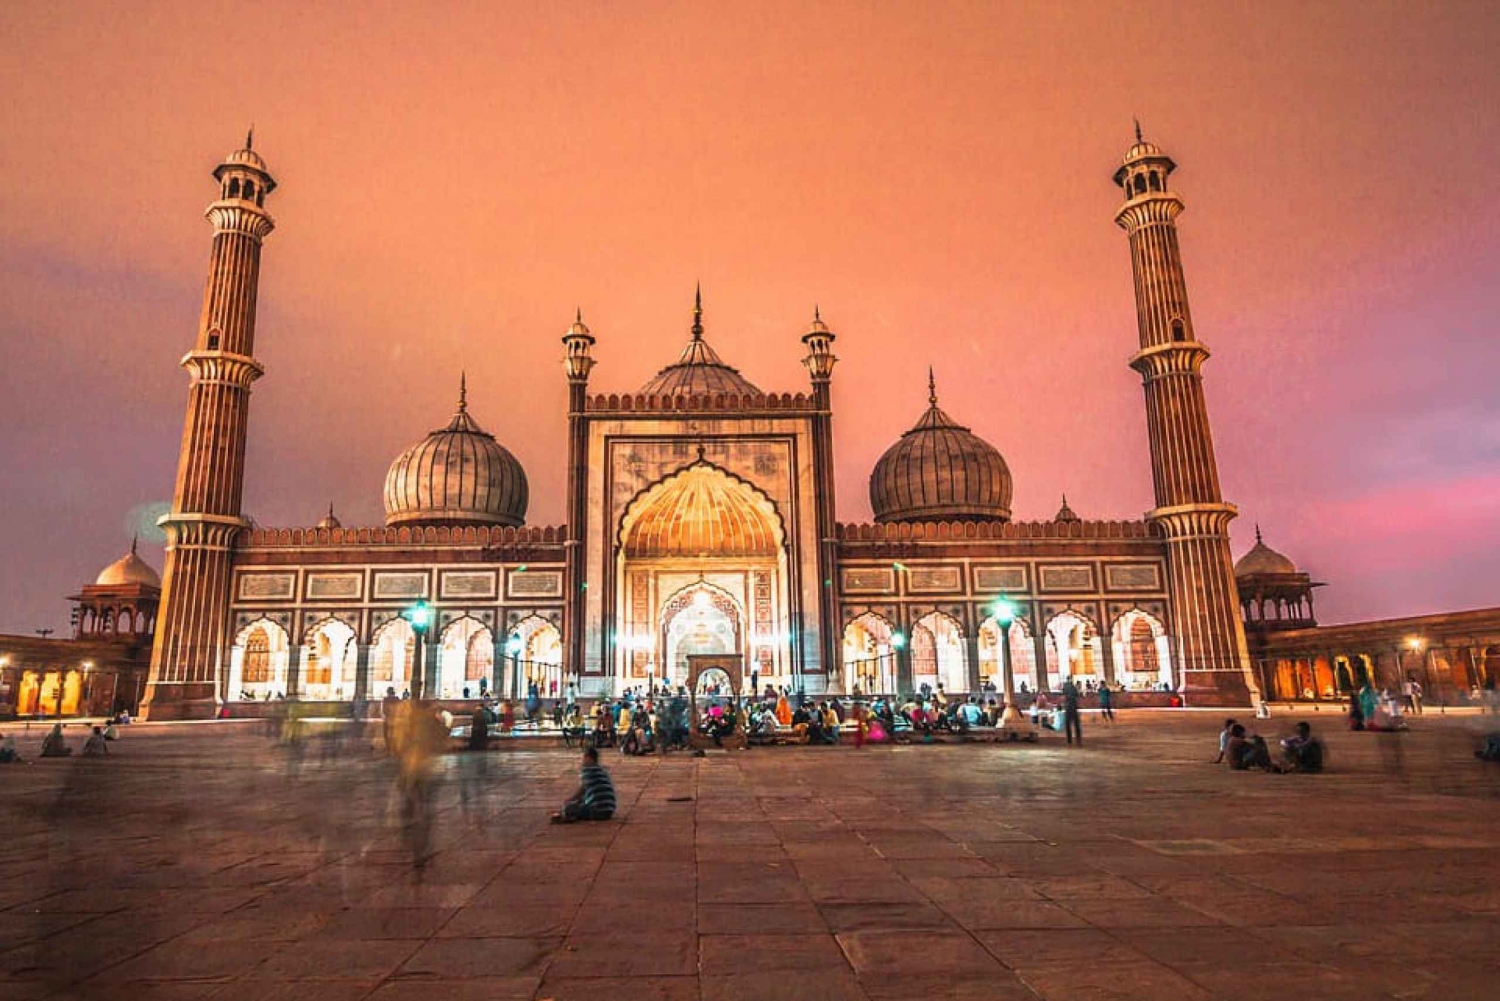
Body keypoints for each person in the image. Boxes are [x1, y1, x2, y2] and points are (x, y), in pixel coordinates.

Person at [553, 746, 616, 823]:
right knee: (579, 804)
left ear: (588, 758)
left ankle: (569, 816)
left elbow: (582, 790)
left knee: (568, 808)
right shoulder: (602, 771)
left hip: (596, 810)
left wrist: (569, 800)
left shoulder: (587, 770)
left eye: (583, 757)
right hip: (609, 811)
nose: (582, 760)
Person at [1061, 679, 1082, 746]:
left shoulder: (1065, 687)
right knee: (1076, 724)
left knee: (1068, 725)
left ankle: (1069, 741)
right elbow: (1077, 695)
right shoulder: (1073, 688)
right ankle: (1078, 740)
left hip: (1068, 707)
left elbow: (1063, 697)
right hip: (1073, 707)